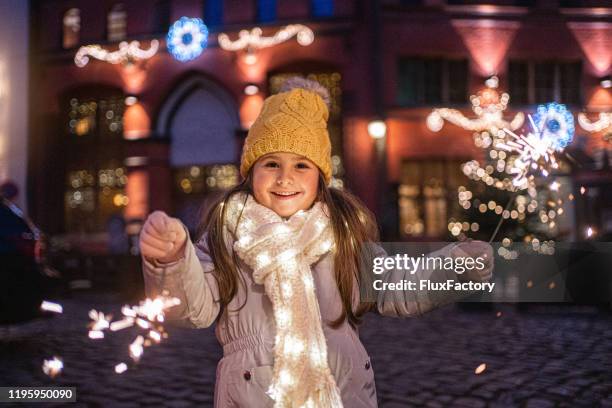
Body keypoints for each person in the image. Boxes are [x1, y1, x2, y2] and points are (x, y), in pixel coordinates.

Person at [140, 77, 493, 407]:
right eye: (271, 164)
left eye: (301, 166)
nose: (285, 178)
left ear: (321, 175)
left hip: (343, 391)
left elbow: (395, 285)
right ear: (250, 172)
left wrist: (454, 265)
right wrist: (172, 261)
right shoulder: (227, 233)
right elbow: (193, 308)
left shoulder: (342, 233)